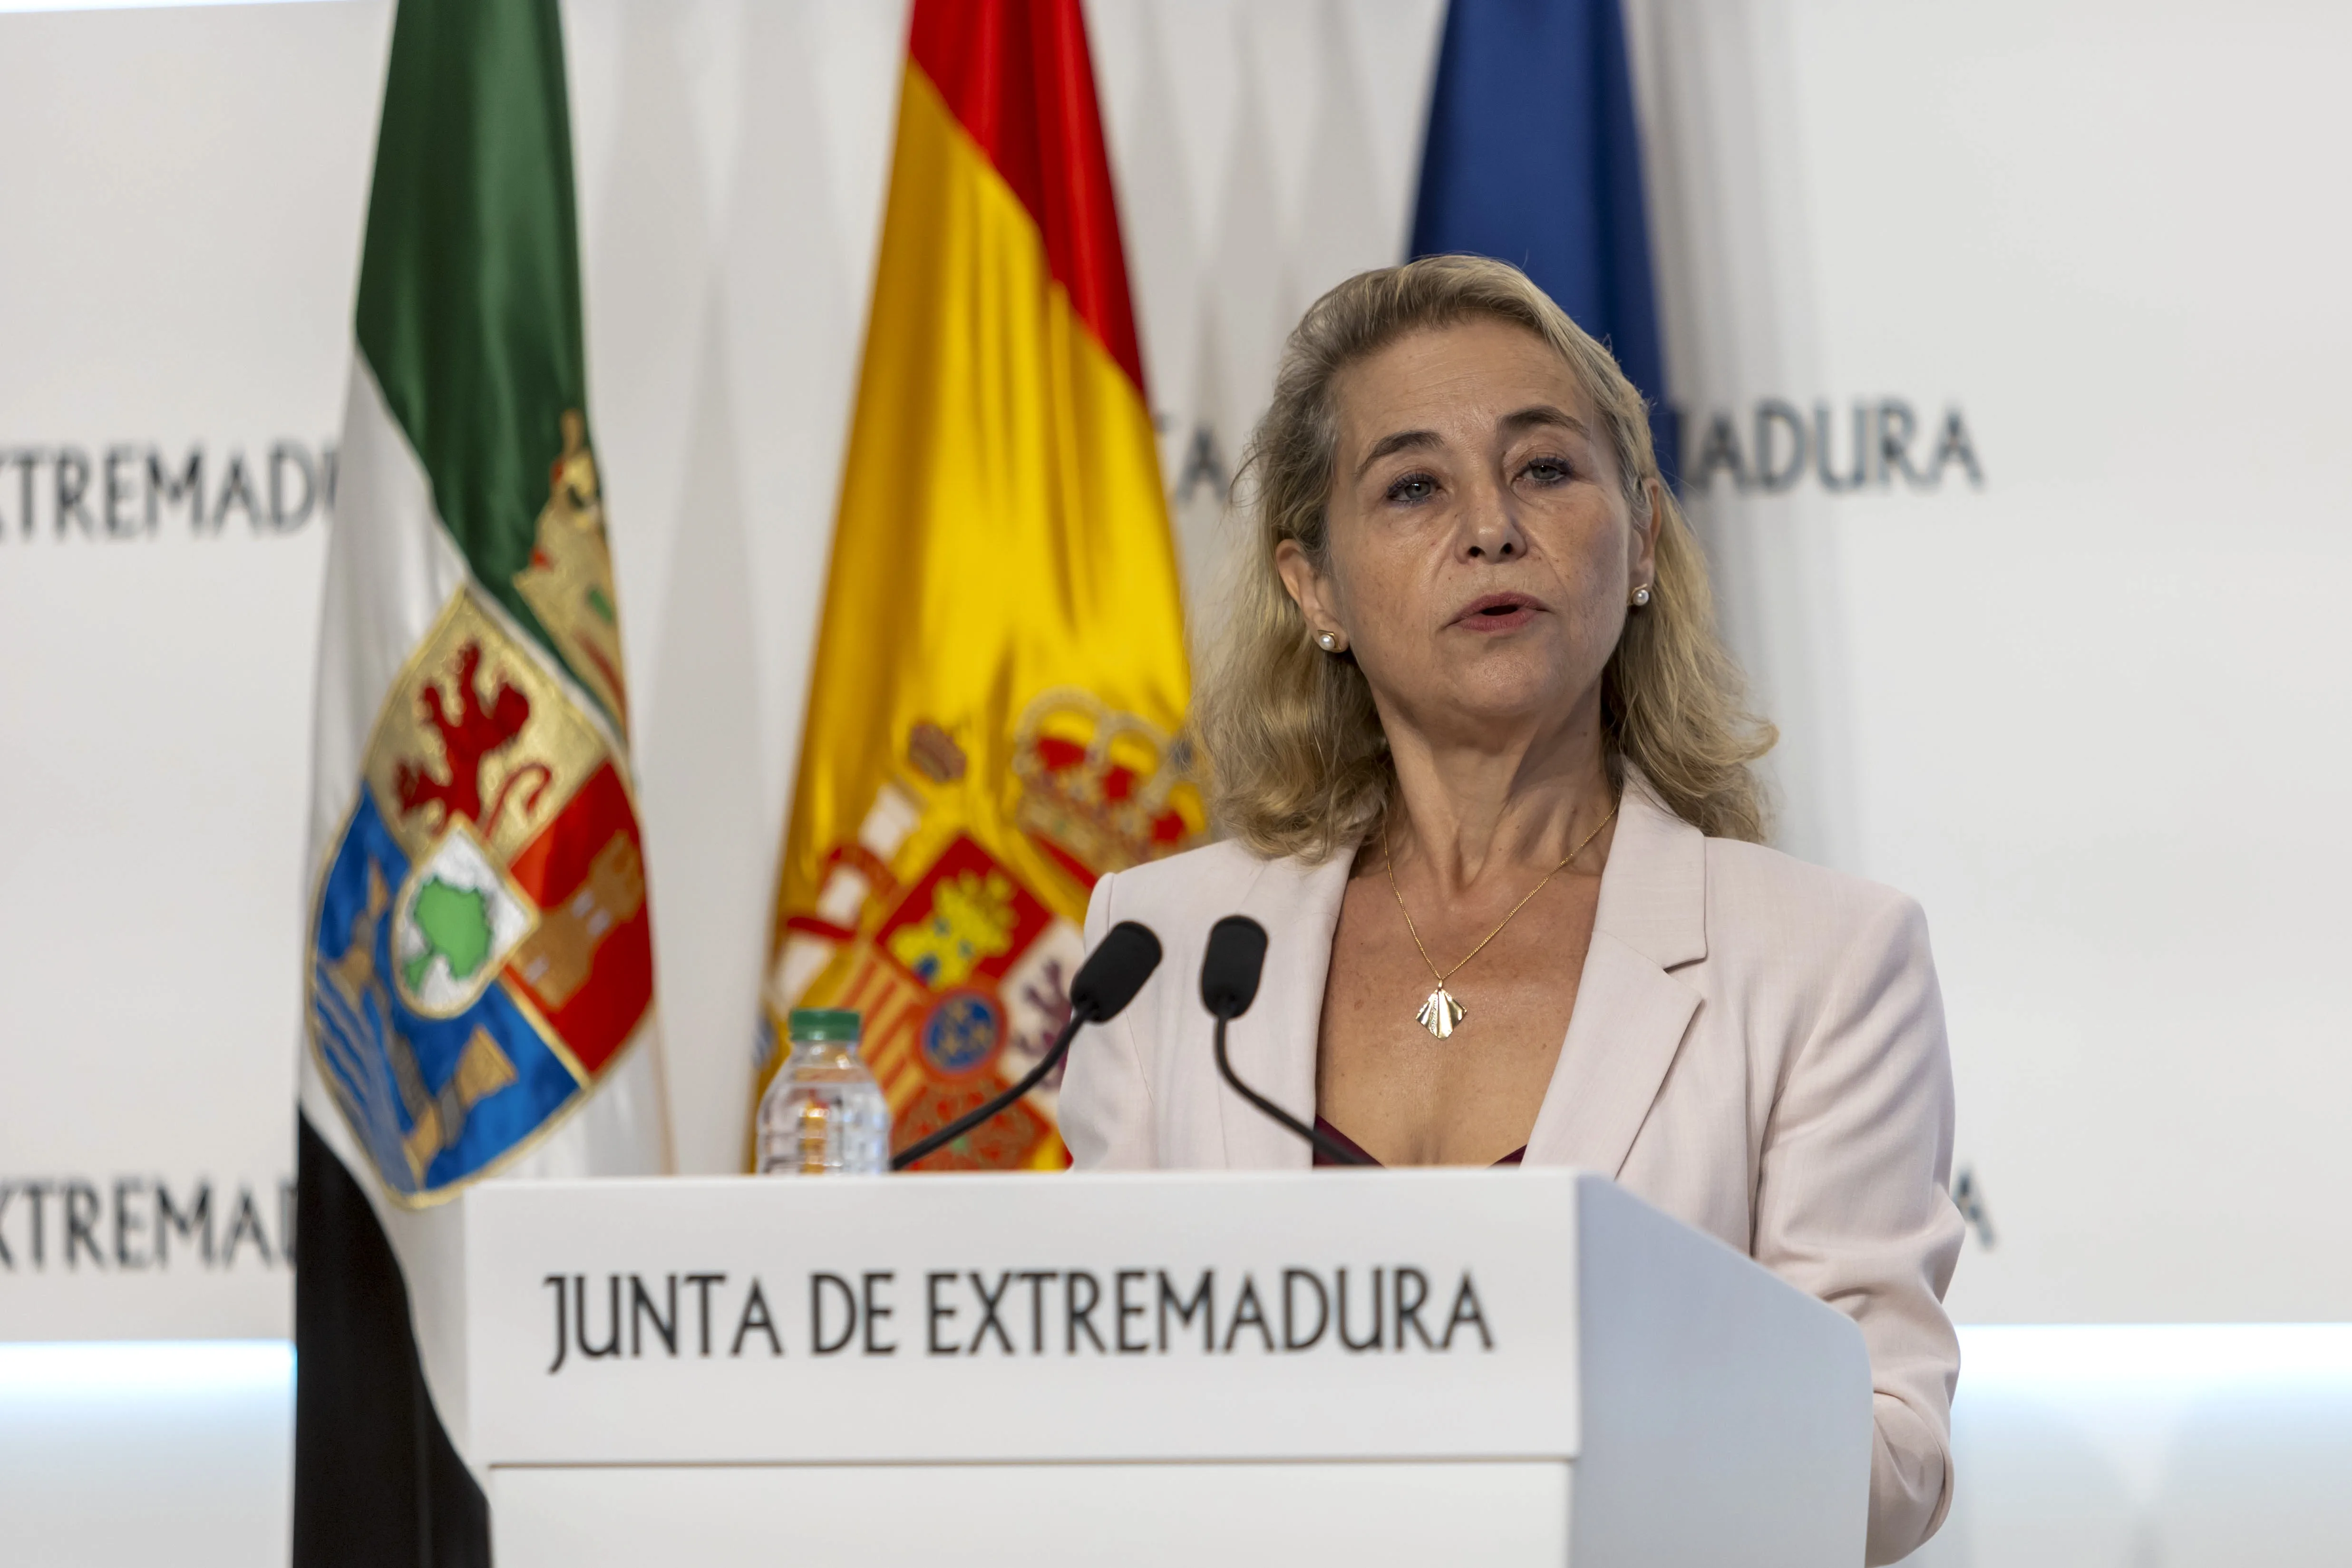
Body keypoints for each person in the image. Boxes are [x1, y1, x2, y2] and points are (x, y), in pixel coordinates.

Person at [1059, 255, 1962, 1565]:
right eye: (1415, 486)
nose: (1492, 526)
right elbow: (1091, 1404)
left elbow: (1888, 1462)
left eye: (1545, 469)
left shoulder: (1822, 960)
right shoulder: (1167, 951)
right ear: (1315, 588)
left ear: (1641, 537)